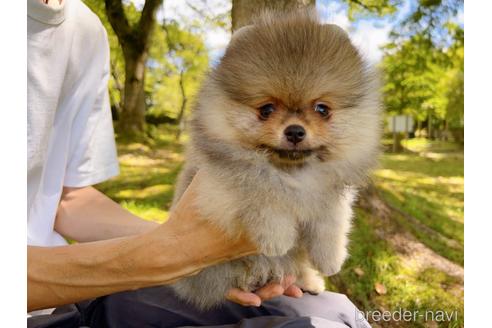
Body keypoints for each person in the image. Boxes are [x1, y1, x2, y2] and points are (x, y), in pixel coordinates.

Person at [27, 0, 371, 327]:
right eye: (266, 110)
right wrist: (164, 256)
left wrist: (193, 247)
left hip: (73, 293)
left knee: (339, 314)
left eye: (322, 110)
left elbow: (65, 199)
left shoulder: (85, 31)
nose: (294, 126)